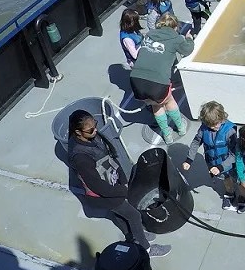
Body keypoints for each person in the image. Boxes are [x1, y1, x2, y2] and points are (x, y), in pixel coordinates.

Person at [66, 110, 170, 257]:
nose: (95, 130)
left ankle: (133, 236)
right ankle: (146, 248)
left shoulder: (91, 138)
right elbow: (98, 186)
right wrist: (124, 191)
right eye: (90, 130)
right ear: (78, 132)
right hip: (103, 195)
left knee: (120, 215)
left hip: (112, 184)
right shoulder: (81, 158)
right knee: (133, 215)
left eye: (95, 125)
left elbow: (110, 158)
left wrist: (123, 180)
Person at [128, 12, 194, 142]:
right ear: (175, 27)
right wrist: (189, 38)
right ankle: (180, 127)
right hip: (157, 83)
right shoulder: (177, 39)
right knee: (169, 102)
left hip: (136, 81)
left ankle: (167, 135)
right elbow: (187, 50)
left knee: (156, 105)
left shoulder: (148, 35)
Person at [180, 101, 242, 211]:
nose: (213, 127)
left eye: (215, 124)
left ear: (222, 117)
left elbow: (234, 154)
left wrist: (221, 167)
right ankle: (230, 193)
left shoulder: (230, 131)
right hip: (214, 163)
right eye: (210, 125)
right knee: (226, 180)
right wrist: (189, 160)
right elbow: (196, 142)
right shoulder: (204, 129)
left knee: (238, 178)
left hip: (228, 163)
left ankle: (241, 193)